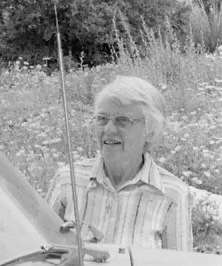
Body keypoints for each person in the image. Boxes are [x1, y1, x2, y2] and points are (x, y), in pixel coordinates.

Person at [46, 75, 192, 250]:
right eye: (102, 119)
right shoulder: (68, 180)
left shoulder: (172, 195)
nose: (108, 129)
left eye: (122, 120)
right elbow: (38, 250)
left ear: (150, 131)